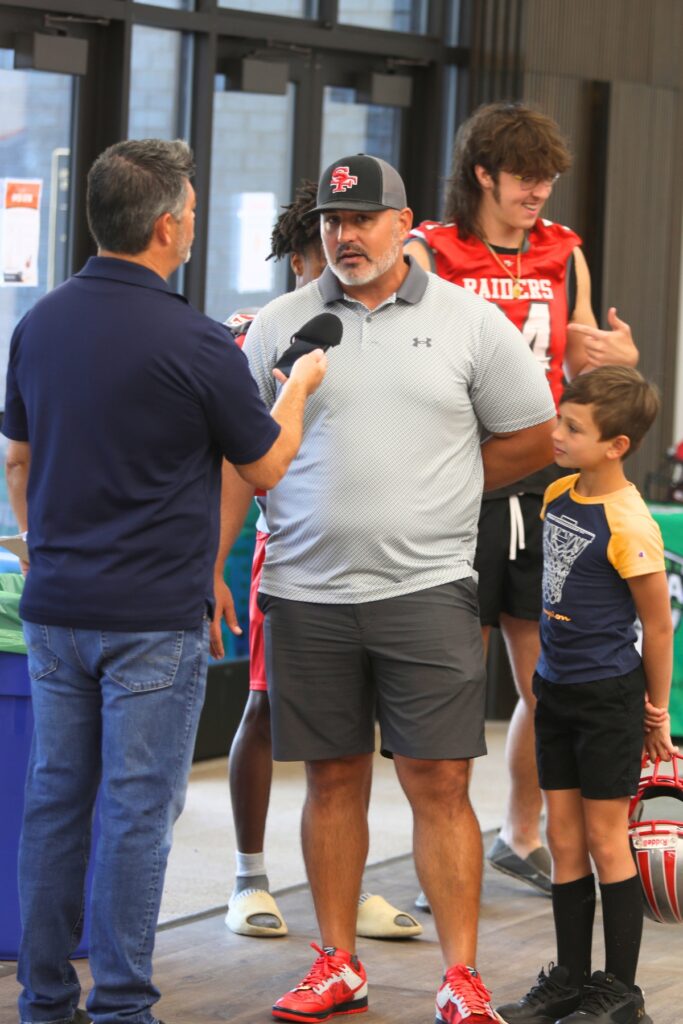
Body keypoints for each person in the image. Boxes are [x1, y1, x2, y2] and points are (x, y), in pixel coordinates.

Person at [3, 138, 326, 1024]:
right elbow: (264, 469)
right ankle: (121, 1008)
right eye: (187, 209)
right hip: (152, 620)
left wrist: (42, 546)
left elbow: (20, 462)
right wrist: (297, 386)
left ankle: (42, 1002)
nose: (190, 221)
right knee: (137, 817)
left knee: (55, 804)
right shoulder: (196, 341)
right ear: (165, 225)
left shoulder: (38, 324)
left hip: (57, 612)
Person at [236, 151, 557, 1023]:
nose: (345, 236)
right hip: (305, 592)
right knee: (332, 781)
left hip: (427, 587)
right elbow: (244, 448)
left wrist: (451, 480)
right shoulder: (281, 323)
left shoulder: (466, 322)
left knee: (438, 783)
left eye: (362, 219)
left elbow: (534, 436)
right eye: (333, 222)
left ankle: (460, 978)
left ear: (404, 223)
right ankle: (336, 963)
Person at [405, 102, 639, 900]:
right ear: (481, 173)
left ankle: (520, 833)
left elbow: (580, 361)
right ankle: (445, 840)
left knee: (549, 674)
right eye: (524, 179)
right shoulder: (427, 253)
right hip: (456, 480)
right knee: (448, 681)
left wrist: (615, 362)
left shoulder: (562, 253)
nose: (538, 193)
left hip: (546, 482)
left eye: (546, 179)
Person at [214, 180, 421, 941]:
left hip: (376, 561)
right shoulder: (261, 331)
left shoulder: (388, 325)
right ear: (301, 254)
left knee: (351, 732)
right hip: (286, 546)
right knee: (265, 710)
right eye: (324, 244)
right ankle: (249, 874)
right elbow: (237, 458)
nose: (340, 261)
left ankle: (347, 880)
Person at [495, 366, 677, 1024]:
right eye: (559, 419)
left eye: (574, 427)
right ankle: (569, 981)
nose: (556, 433)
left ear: (616, 446)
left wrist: (652, 710)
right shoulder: (558, 495)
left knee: (606, 841)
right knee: (562, 839)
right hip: (556, 691)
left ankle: (619, 991)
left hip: (607, 697)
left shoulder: (630, 524)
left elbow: (656, 625)